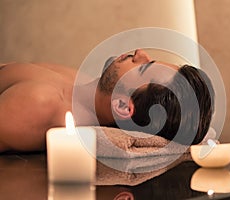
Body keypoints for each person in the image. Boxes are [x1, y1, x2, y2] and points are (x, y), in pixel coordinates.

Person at [0, 49, 214, 153]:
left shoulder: (41, 105)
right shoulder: (83, 85)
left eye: (143, 67)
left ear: (122, 106)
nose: (141, 53)